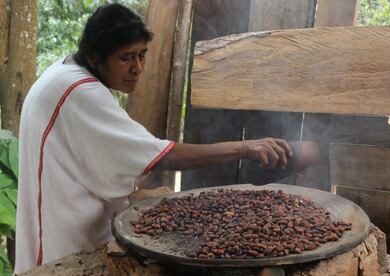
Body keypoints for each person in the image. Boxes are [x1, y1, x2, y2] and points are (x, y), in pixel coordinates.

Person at [14, 3, 292, 274]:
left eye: (142, 55)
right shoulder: (80, 91)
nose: (137, 67)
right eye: (126, 57)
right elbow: (163, 156)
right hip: (61, 247)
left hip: (59, 226)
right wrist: (245, 147)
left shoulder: (62, 71)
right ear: (95, 57)